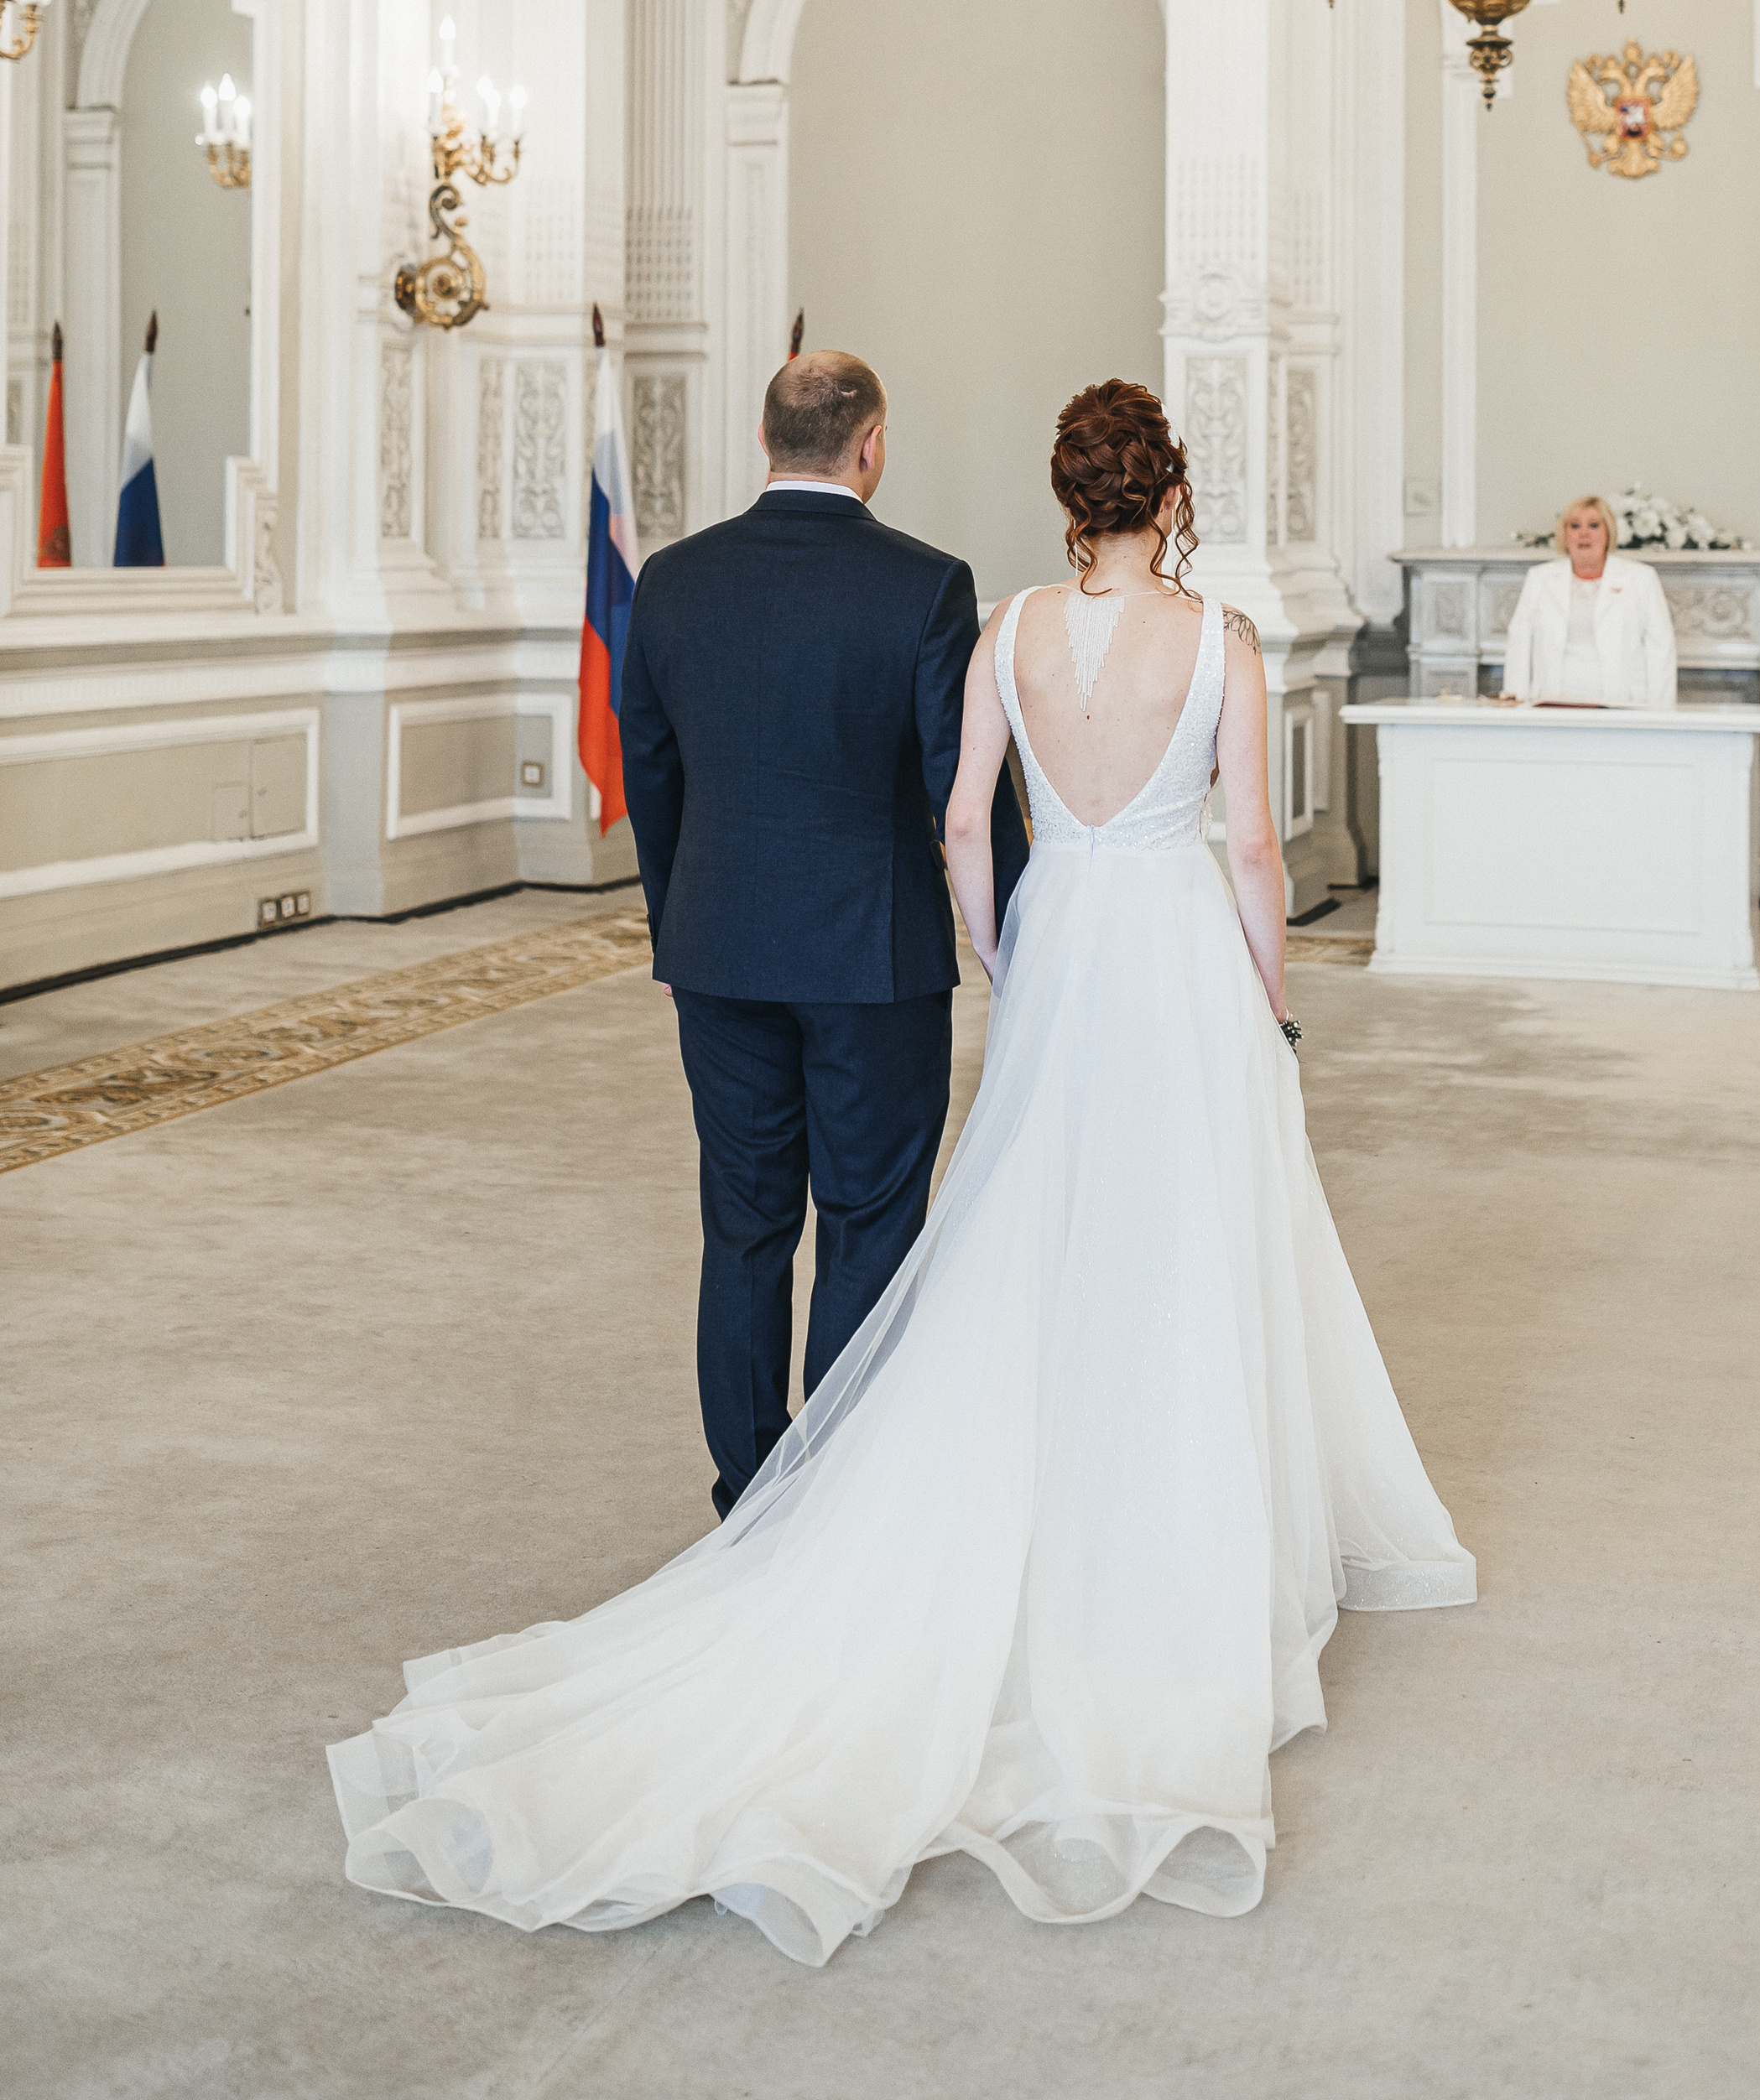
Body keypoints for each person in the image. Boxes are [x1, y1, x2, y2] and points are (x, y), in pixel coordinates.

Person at [327, 378, 1474, 1962]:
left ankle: (778, 1501)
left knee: (799, 1226)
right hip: (1089, 963)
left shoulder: (922, 612)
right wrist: (1262, 1000)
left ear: (1065, 493)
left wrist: (998, 953)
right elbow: (1239, 850)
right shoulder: (1133, 625)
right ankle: (1091, 1512)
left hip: (828, 944)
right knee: (1120, 1235)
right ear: (1170, 493)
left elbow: (915, 814)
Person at [617, 346, 1028, 1518]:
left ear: (764, 441)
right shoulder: (926, 585)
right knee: (868, 1220)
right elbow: (961, 793)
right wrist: (1014, 934)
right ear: (872, 444)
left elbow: (652, 771)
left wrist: (673, 920)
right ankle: (841, 1494)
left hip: (717, 947)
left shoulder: (673, 580)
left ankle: (749, 1492)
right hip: (873, 957)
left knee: (744, 1224)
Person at [1502, 491, 1677, 705]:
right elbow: (1519, 643)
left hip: (1622, 706)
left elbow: (1661, 648)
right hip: (1551, 705)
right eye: (1575, 526)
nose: (1584, 533)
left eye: (1594, 526)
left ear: (1608, 532)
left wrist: (1660, 711)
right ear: (1565, 534)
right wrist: (1515, 703)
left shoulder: (1641, 579)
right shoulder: (1540, 578)